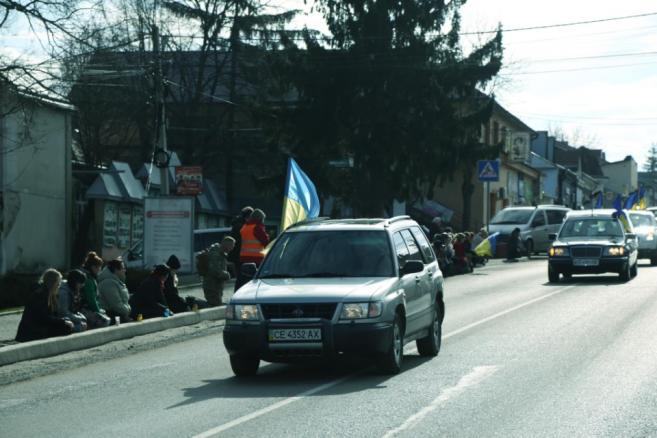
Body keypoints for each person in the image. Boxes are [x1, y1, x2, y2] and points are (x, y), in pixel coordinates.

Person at [16, 269, 74, 342]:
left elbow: (52, 315)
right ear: (52, 283)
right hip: (32, 331)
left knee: (67, 324)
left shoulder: (49, 294)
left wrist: (64, 320)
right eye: (58, 283)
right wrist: (63, 321)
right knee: (65, 328)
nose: (59, 286)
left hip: (40, 326)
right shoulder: (40, 295)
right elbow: (44, 317)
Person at [235, 208, 270, 290]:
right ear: (260, 218)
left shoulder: (245, 226)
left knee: (242, 280)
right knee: (255, 282)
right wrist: (267, 235)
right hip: (256, 258)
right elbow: (265, 241)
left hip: (244, 257)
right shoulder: (257, 227)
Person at [80, 251, 111, 328]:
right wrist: (98, 311)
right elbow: (91, 299)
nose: (100, 270)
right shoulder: (88, 280)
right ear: (93, 267)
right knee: (105, 321)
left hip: (87, 308)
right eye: (99, 267)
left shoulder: (90, 277)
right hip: (84, 309)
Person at [203, 236, 235, 306]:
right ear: (226, 245)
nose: (232, 249)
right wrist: (227, 275)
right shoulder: (216, 254)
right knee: (215, 306)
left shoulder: (221, 254)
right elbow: (215, 270)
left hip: (216, 286)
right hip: (212, 286)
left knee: (215, 305)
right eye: (231, 246)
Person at [98, 259, 132, 323]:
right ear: (116, 270)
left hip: (119, 314)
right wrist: (128, 310)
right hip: (111, 316)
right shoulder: (108, 283)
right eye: (123, 268)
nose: (125, 270)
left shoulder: (116, 282)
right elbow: (116, 305)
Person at [229, 206, 254, 285]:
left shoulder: (237, 225)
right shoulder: (242, 226)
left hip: (237, 255)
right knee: (243, 277)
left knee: (240, 277)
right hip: (241, 255)